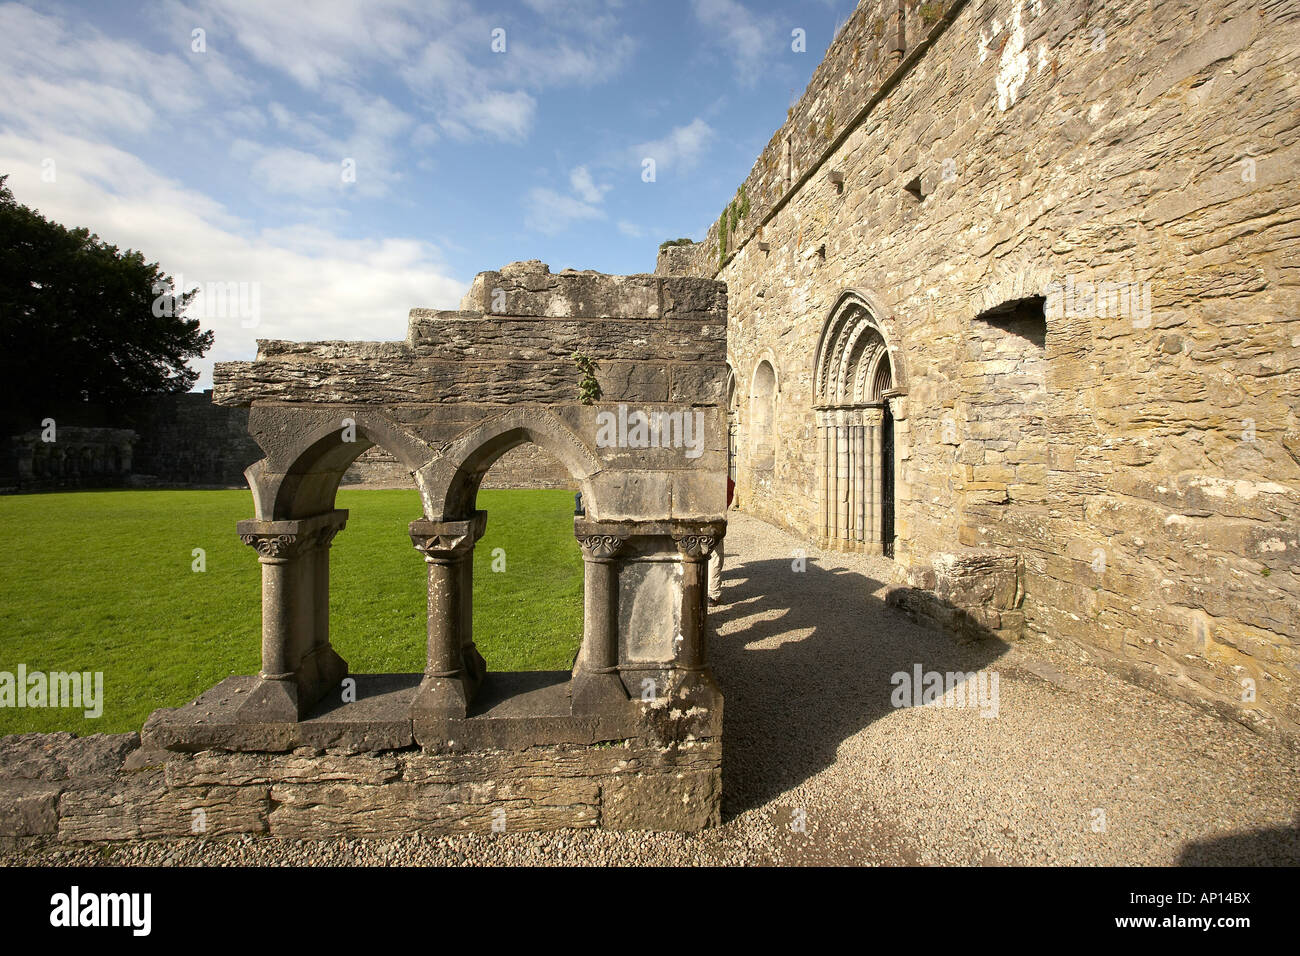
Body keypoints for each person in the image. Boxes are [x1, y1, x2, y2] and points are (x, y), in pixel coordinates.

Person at [708, 475, 735, 604]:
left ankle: (710, 592)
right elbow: (729, 490)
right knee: (715, 556)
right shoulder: (717, 473)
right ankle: (713, 594)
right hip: (714, 517)